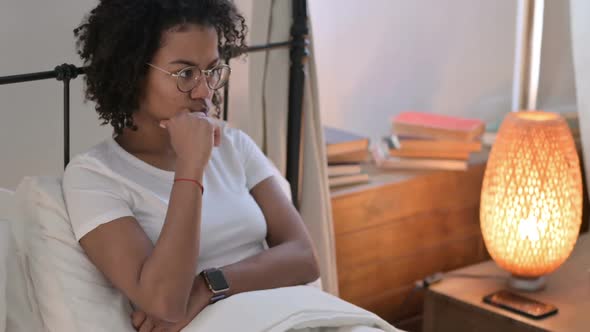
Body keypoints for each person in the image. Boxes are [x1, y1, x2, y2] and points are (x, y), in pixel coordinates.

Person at [63, 0, 320, 331]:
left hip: (291, 315)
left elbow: (304, 257)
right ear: (131, 73)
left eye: (212, 70)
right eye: (185, 73)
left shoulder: (233, 144)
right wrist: (191, 165)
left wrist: (207, 286)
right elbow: (166, 302)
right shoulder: (94, 177)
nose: (205, 90)